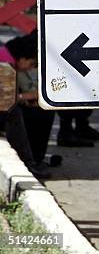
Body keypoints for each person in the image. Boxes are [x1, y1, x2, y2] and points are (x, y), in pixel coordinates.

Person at [0, 32, 51, 178]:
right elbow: (5, 100)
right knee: (14, 113)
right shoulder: (5, 62)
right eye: (32, 63)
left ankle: (33, 158)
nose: (30, 68)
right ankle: (28, 162)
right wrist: (26, 96)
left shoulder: (5, 56)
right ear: (22, 58)